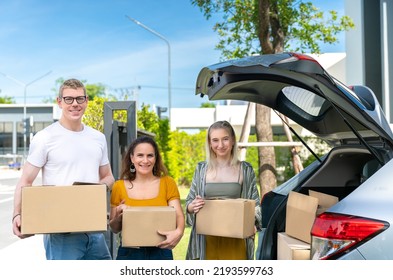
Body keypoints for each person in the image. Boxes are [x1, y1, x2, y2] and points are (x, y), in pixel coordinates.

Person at [12, 78, 115, 260]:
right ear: (59, 102)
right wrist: (17, 215)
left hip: (94, 230)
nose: (75, 104)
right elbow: (26, 181)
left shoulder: (98, 138)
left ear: (86, 101)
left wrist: (93, 189)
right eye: (69, 99)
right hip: (61, 233)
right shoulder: (45, 138)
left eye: (79, 99)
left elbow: (108, 177)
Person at [185, 120, 262, 260]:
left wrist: (254, 225)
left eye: (225, 139)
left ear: (232, 140)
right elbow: (189, 203)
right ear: (209, 143)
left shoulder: (245, 169)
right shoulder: (201, 169)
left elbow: (255, 204)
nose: (220, 145)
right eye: (215, 140)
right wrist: (192, 206)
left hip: (236, 238)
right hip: (207, 238)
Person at [109, 136, 185, 260]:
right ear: (132, 158)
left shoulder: (167, 183)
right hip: (129, 253)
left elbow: (178, 215)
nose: (145, 160)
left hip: (161, 251)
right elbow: (114, 228)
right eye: (140, 155)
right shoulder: (119, 186)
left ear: (155, 158)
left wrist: (179, 232)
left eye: (150, 155)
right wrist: (118, 217)